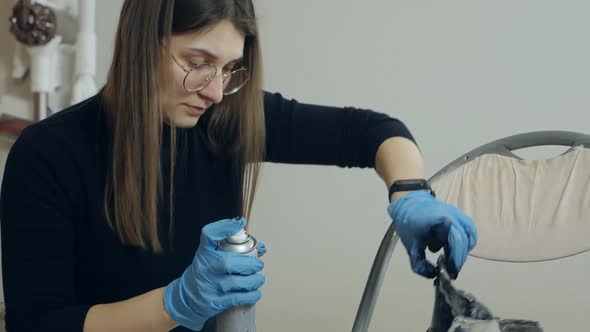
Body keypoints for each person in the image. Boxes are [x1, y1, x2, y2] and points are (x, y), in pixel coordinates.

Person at [0, 1, 477, 331]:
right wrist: (173, 304)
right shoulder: (47, 156)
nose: (213, 90)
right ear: (141, 42)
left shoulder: (223, 122)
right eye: (198, 61)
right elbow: (39, 323)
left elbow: (373, 132)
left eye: (230, 69)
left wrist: (409, 191)